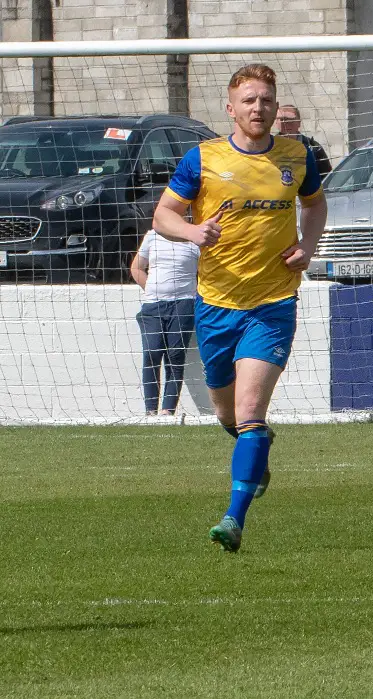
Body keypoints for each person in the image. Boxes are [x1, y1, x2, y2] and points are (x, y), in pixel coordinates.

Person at [153, 64, 327, 553]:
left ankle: (233, 519)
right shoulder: (203, 158)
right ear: (231, 109)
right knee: (227, 413)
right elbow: (163, 214)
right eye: (249, 100)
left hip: (273, 302)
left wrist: (308, 247)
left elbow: (315, 205)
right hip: (215, 303)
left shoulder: (298, 156)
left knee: (251, 411)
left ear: (275, 106)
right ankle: (256, 448)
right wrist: (192, 231)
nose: (258, 108)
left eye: (266, 99)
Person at [129, 229, 200, 416]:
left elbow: (207, 274)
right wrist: (152, 290)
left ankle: (167, 411)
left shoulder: (195, 237)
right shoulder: (152, 236)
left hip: (184, 304)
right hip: (153, 306)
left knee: (175, 356)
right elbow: (136, 268)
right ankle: (150, 411)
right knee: (151, 353)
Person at [276, 104, 333, 178]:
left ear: (299, 123)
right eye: (282, 119)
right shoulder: (269, 146)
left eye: (290, 119)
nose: (286, 123)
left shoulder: (314, 148)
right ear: (276, 123)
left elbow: (327, 178)